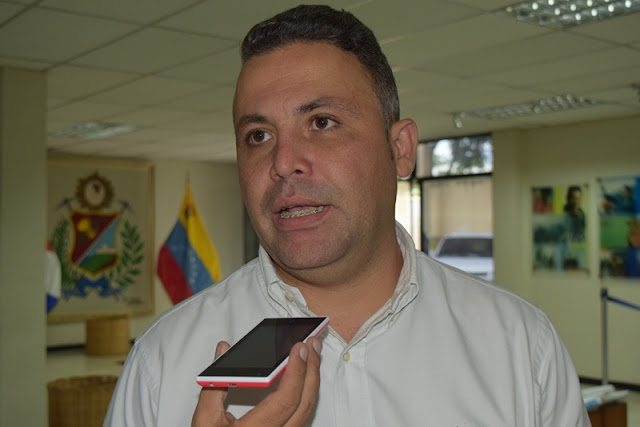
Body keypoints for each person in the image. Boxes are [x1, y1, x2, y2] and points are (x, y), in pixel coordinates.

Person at [105, 5, 589, 426]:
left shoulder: (520, 346)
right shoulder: (163, 363)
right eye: (258, 135)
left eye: (322, 122)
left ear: (400, 150)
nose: (282, 162)